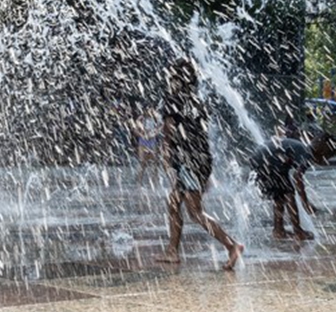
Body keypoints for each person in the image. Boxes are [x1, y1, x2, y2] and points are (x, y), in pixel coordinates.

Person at [160, 58, 243, 270]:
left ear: (177, 78)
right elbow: (201, 134)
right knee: (173, 202)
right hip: (200, 159)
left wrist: (166, 156)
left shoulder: (173, 100)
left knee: (195, 211)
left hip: (187, 161)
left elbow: (169, 131)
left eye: (172, 76)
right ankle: (172, 251)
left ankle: (231, 245)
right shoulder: (197, 101)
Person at [250, 137, 316, 240]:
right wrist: (305, 202)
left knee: (279, 194)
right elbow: (297, 176)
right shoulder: (307, 154)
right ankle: (298, 232)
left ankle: (278, 230)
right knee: (288, 193)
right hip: (268, 158)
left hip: (259, 157)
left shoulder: (300, 148)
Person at [133, 108, 163, 186]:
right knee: (142, 162)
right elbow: (135, 130)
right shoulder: (141, 119)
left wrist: (154, 133)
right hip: (143, 142)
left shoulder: (156, 118)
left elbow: (161, 127)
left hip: (152, 141)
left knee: (155, 162)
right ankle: (139, 181)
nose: (150, 111)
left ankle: (154, 182)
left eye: (152, 109)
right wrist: (142, 134)